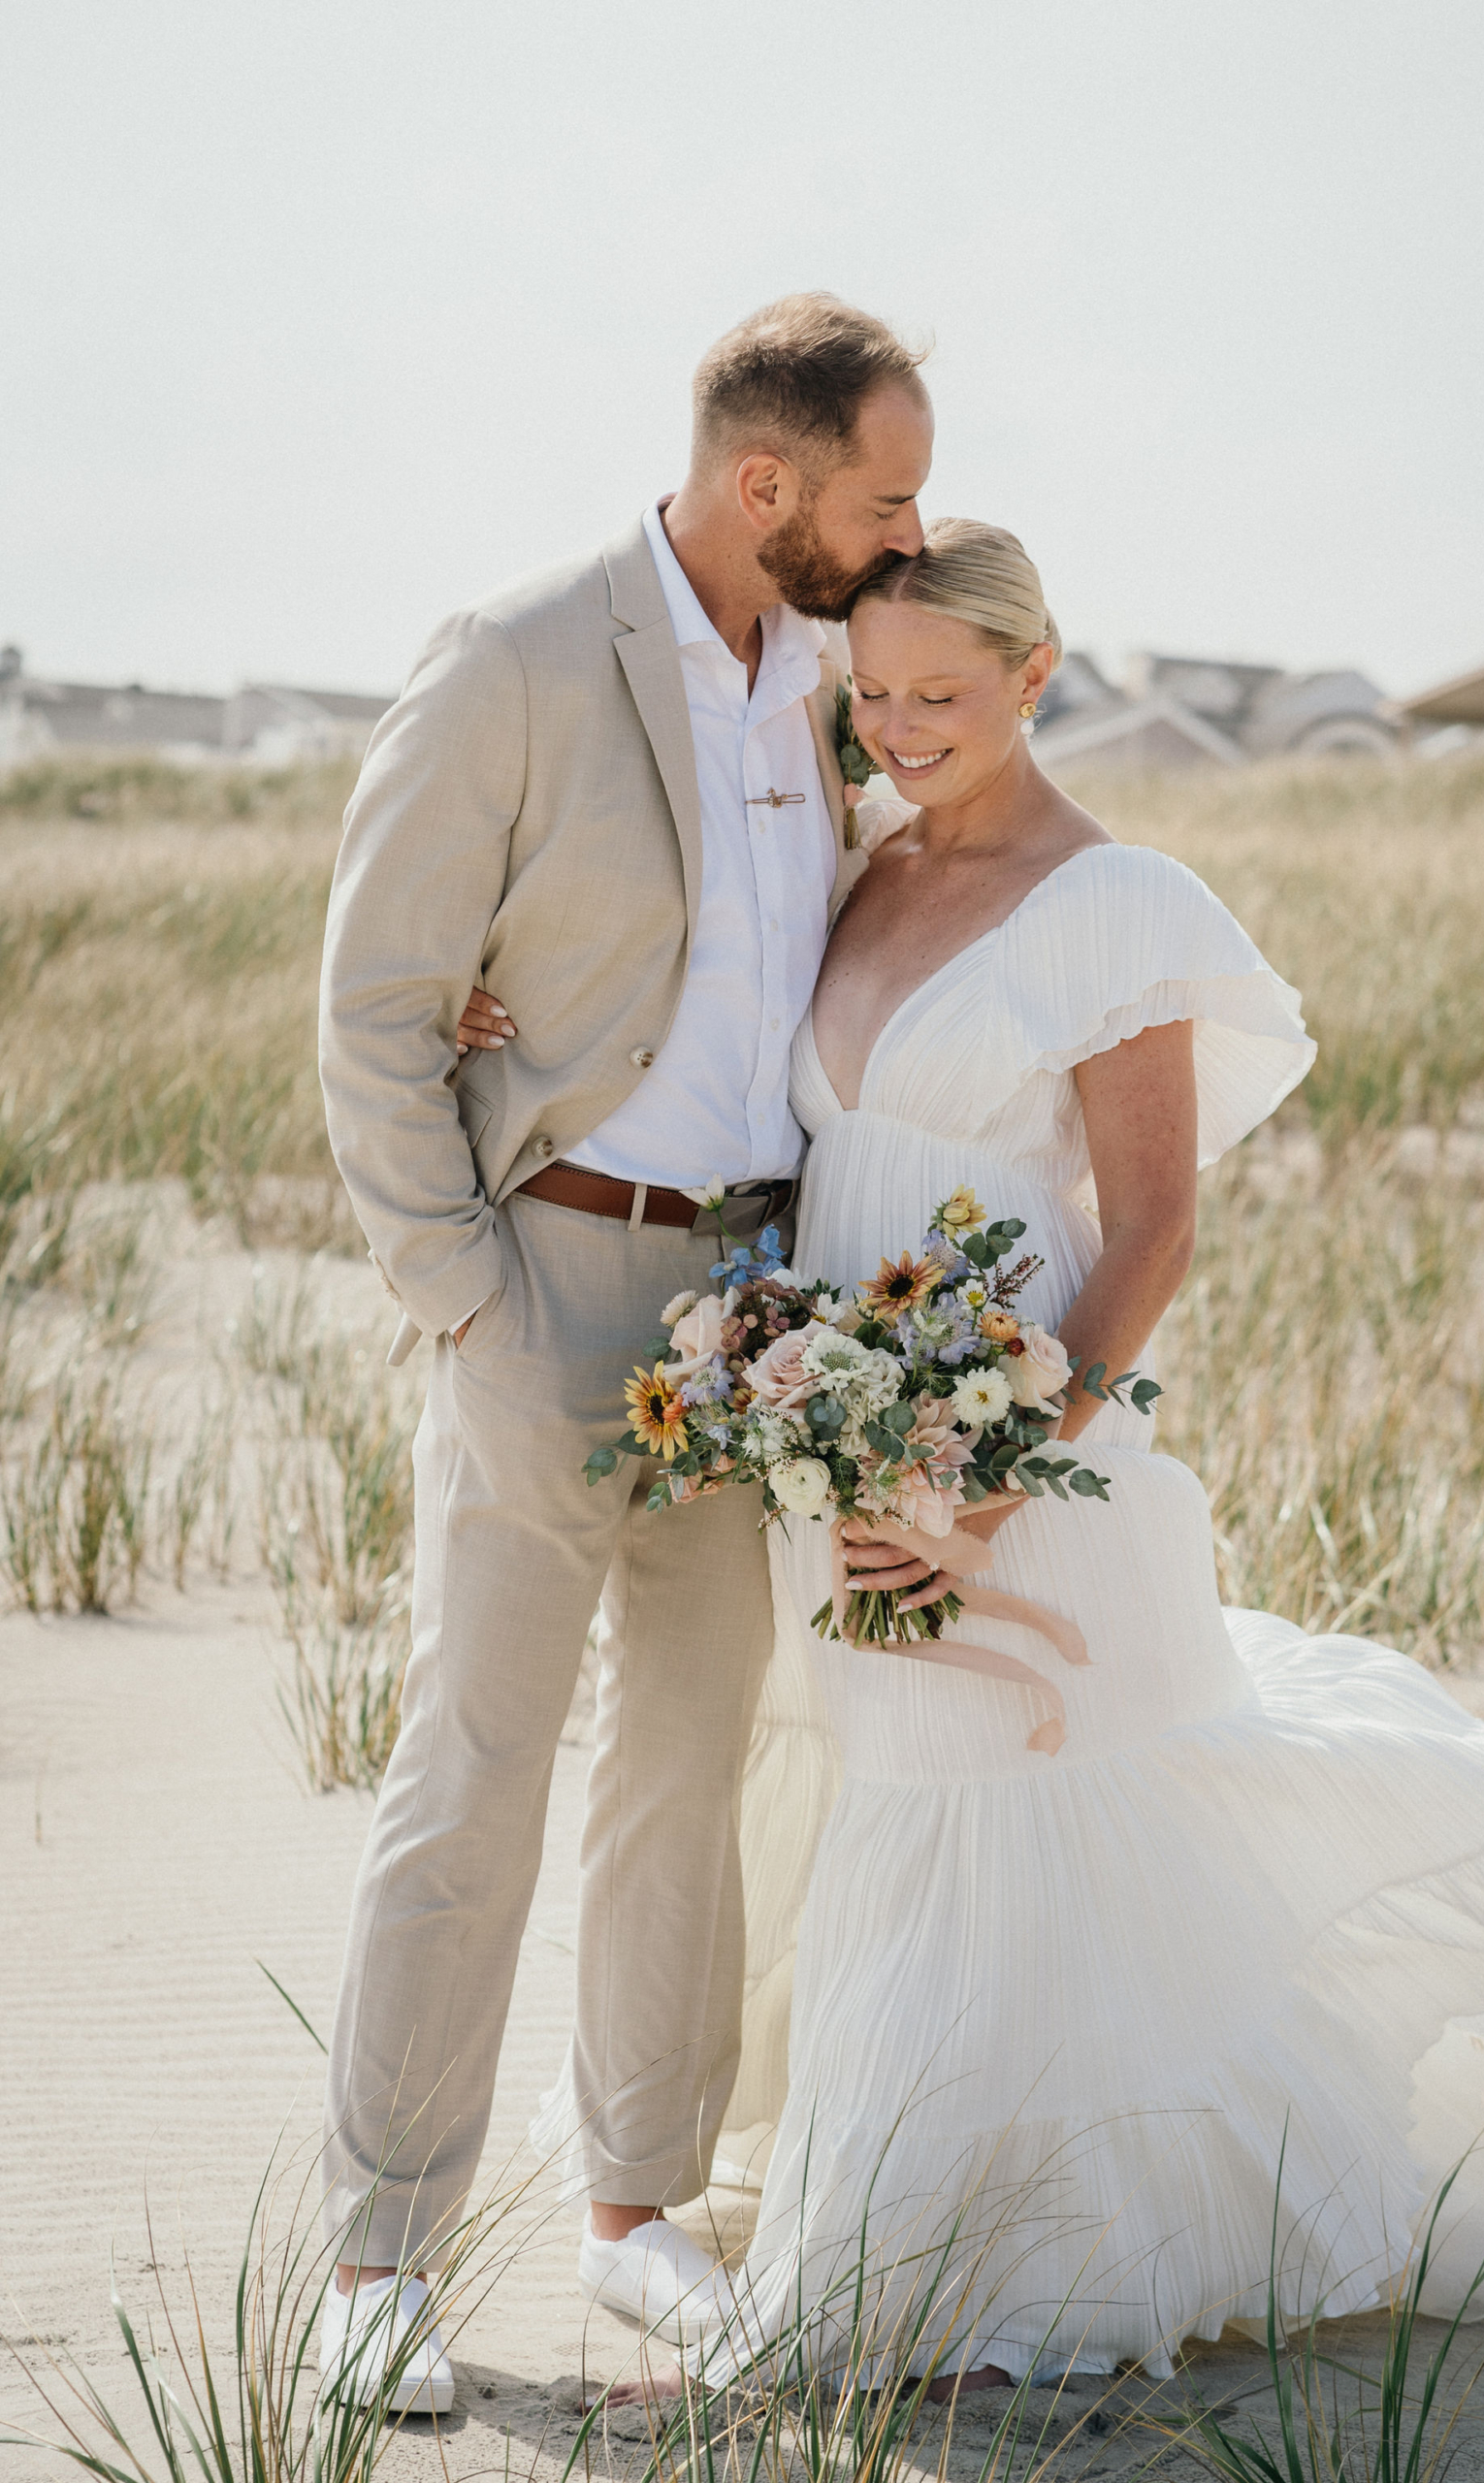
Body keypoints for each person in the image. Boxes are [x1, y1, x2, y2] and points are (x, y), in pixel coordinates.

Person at [497, 517, 1484, 2391]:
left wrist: (984, 1485)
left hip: (1011, 1448)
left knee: (1011, 1799)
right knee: (889, 1788)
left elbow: (1151, 1234)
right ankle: (918, 2205)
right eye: (870, 697)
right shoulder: (857, 874)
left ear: (1039, 676)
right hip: (846, 1447)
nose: (901, 729)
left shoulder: (1117, 903)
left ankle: (949, 2256)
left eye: (943, 694)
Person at [312, 292, 933, 2412]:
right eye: (883, 493)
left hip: (753, 1311)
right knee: (471, 1770)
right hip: (545, 1283)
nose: (907, 531)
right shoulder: (510, 659)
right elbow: (375, 1010)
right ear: (767, 485)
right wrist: (466, 1303)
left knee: (686, 1761)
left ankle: (634, 2206)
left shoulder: (826, 679)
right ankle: (376, 2251)